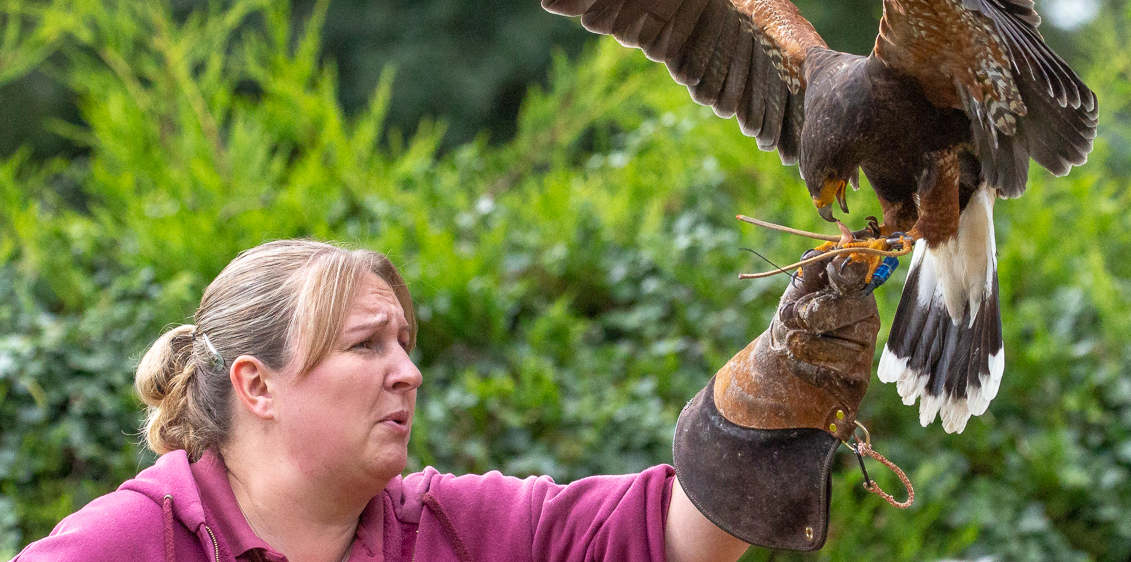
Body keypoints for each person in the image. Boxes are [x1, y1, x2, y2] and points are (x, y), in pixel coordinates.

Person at [15, 237, 879, 561]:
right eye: (365, 345)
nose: (408, 371)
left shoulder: (462, 532)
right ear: (257, 385)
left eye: (405, 343)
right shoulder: (130, 546)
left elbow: (680, 537)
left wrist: (781, 391)